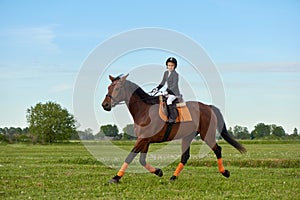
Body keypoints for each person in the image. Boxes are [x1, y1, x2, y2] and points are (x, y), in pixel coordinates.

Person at [152, 57, 181, 123]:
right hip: (168, 92)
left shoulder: (176, 74)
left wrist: (167, 91)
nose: (170, 67)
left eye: (172, 65)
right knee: (160, 99)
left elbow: (174, 85)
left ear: (175, 66)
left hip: (174, 93)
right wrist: (157, 88)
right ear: (167, 66)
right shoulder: (166, 73)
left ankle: (172, 118)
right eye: (169, 65)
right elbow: (162, 82)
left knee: (169, 101)